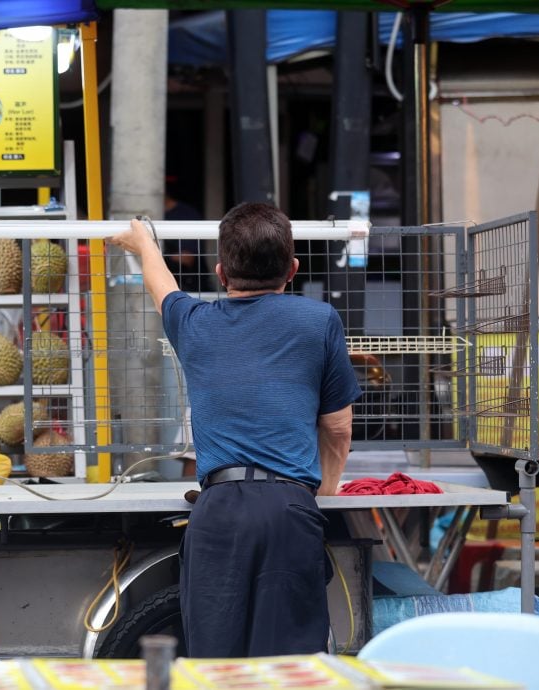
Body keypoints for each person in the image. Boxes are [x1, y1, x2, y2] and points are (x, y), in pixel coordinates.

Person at [107, 202, 360, 658]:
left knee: (214, 669)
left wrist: (143, 241)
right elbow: (338, 427)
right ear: (293, 270)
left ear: (221, 274)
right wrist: (324, 489)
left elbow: (161, 284)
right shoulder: (319, 320)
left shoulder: (195, 322)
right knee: (291, 671)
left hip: (217, 515)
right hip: (290, 511)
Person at [162, 182, 212, 294]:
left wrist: (156, 257)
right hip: (164, 284)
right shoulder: (150, 216)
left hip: (189, 286)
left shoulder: (186, 215)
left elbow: (187, 258)